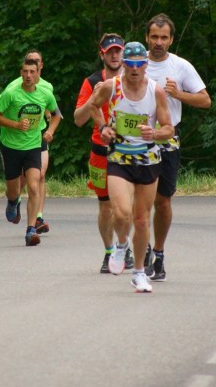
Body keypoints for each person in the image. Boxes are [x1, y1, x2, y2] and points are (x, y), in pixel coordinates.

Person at [88, 41, 175, 293]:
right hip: (119, 159)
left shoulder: (155, 91)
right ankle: (121, 244)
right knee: (122, 213)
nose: (134, 69)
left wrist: (155, 133)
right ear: (124, 65)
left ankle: (139, 273)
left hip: (147, 160)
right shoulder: (112, 86)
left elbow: (169, 129)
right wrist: (103, 127)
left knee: (141, 219)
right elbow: (93, 105)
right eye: (130, 64)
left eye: (139, 64)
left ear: (146, 65)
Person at [143, 13, 211, 282]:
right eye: (154, 37)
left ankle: (158, 253)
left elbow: (205, 100)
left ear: (171, 39)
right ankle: (143, 250)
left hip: (168, 138)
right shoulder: (134, 64)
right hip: (137, 139)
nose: (158, 42)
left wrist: (178, 94)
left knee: (162, 201)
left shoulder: (180, 66)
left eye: (164, 37)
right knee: (139, 200)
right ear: (147, 38)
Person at [73, 33, 135, 273]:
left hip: (129, 150)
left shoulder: (134, 77)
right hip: (101, 152)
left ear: (124, 53)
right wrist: (93, 98)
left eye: (118, 51)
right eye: (110, 52)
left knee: (126, 207)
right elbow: (78, 120)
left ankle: (124, 247)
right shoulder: (92, 82)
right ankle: (109, 251)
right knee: (106, 207)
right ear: (102, 55)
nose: (115, 55)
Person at [0, 57, 59, 246]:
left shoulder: (45, 94)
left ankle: (30, 230)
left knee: (34, 185)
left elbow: (56, 115)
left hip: (33, 146)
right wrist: (15, 124)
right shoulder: (11, 93)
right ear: (21, 73)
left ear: (38, 73)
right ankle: (13, 202)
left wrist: (50, 130)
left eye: (32, 72)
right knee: (13, 191)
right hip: (11, 147)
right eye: (25, 72)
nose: (28, 75)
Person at [9, 49, 62, 235]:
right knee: (22, 178)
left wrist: (50, 130)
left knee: (40, 175)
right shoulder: (14, 86)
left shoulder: (47, 87)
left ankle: (37, 218)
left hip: (38, 135)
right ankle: (15, 200)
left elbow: (54, 111)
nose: (34, 63)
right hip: (19, 138)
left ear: (41, 65)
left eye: (37, 60)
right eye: (30, 60)